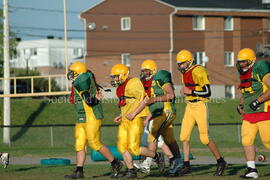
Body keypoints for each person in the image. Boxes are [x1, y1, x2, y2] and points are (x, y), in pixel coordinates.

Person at [65, 62, 122, 179]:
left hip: (91, 116)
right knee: (79, 144)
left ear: (79, 73)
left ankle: (115, 163)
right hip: (81, 116)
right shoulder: (82, 78)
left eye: (73, 72)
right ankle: (79, 171)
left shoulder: (81, 80)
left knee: (94, 143)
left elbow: (89, 101)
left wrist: (95, 99)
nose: (71, 74)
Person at [176, 50, 227, 176]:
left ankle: (221, 161)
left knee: (204, 138)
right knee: (183, 136)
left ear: (189, 62)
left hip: (200, 105)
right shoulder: (185, 73)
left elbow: (208, 92)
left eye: (182, 64)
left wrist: (191, 92)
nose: (180, 66)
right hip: (190, 106)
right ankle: (186, 165)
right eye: (179, 64)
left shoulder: (199, 71)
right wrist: (188, 93)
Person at [110, 64, 165, 179]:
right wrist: (121, 115)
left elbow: (144, 100)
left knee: (134, 148)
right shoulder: (122, 86)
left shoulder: (134, 83)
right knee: (122, 147)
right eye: (113, 77)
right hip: (126, 119)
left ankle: (157, 156)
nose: (114, 79)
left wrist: (134, 113)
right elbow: (128, 103)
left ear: (123, 75)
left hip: (135, 119)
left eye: (116, 77)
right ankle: (131, 171)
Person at [130, 59, 183, 176]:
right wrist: (134, 114)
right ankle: (178, 162)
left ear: (153, 71)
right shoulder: (146, 85)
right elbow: (145, 102)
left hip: (166, 110)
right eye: (143, 71)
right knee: (169, 139)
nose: (144, 73)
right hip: (157, 112)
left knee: (152, 134)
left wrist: (154, 99)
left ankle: (147, 164)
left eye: (146, 71)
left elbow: (170, 95)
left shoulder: (160, 77)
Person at [236, 48, 270, 179]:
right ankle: (251, 169)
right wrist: (240, 104)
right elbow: (246, 92)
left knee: (267, 141)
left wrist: (258, 101)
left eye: (244, 62)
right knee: (246, 139)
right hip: (249, 114)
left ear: (252, 61)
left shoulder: (260, 67)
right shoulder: (245, 74)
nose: (242, 65)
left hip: (264, 111)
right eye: (240, 62)